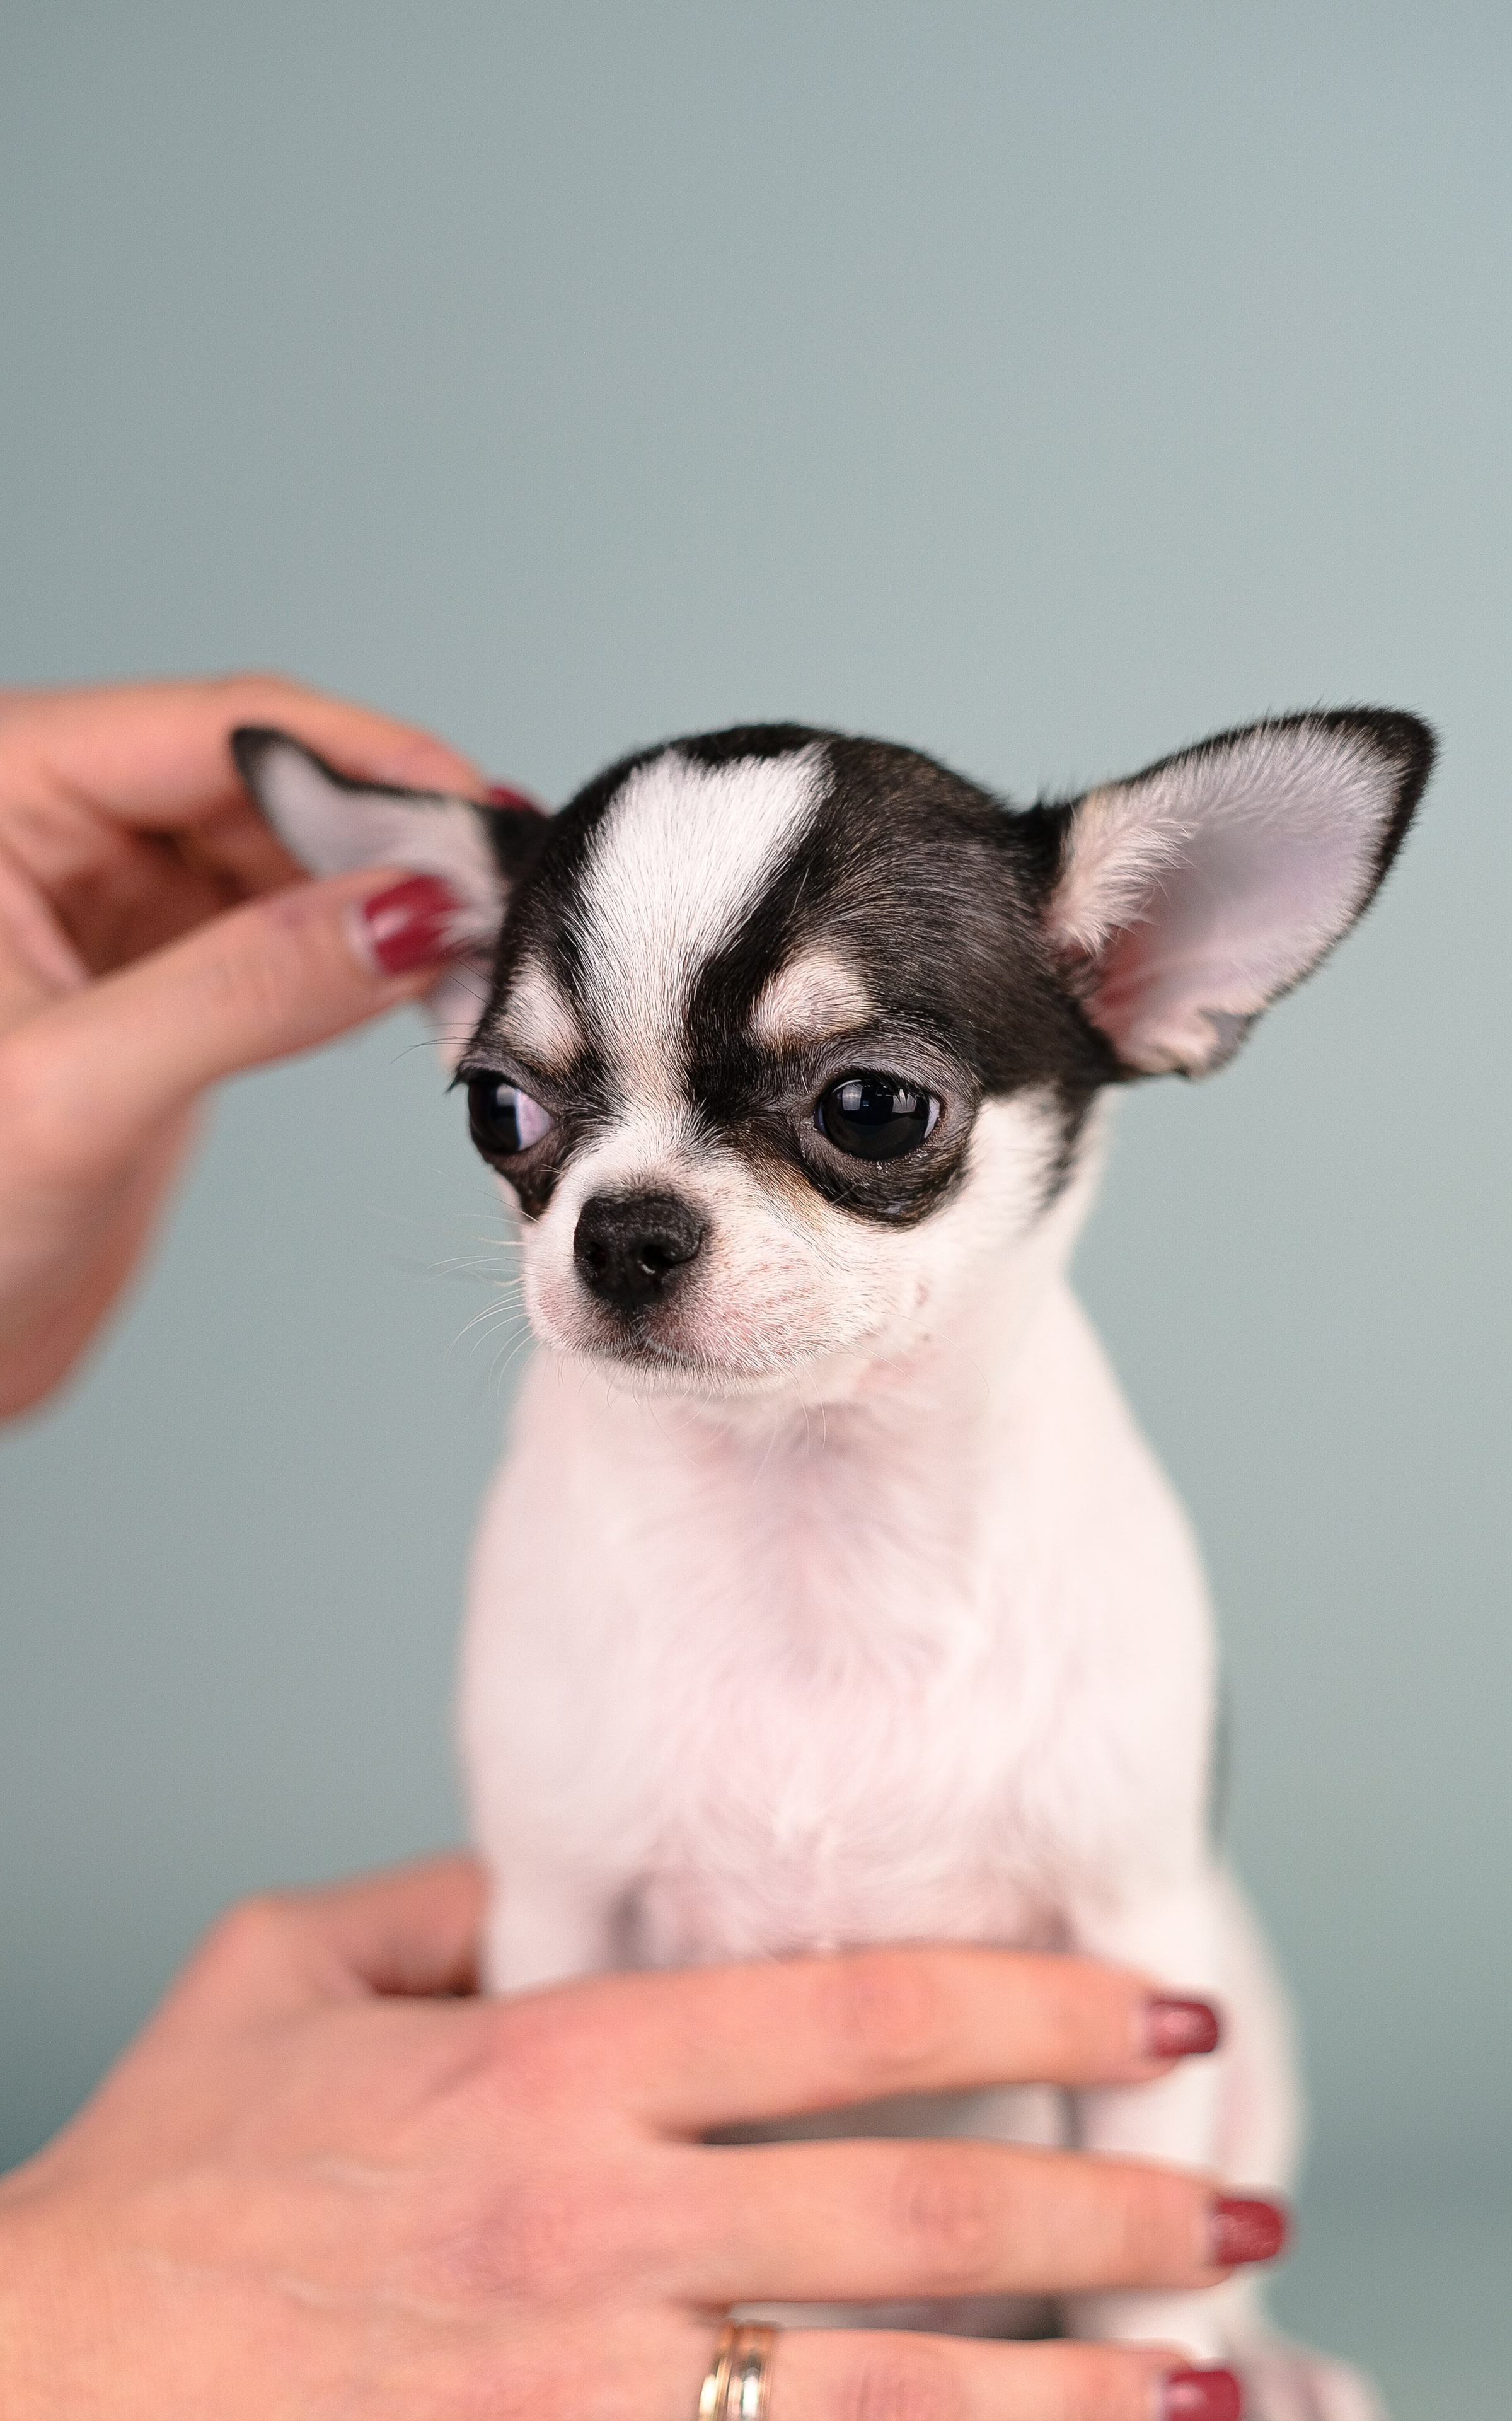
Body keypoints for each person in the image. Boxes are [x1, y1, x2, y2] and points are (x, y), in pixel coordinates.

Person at [0, 676, 1278, 2418]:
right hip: (671, 2310)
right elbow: (561, 2001)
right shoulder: (554, 1567)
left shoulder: (1108, 1584)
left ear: (1142, 965)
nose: (627, 1215)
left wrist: (1172, 2352)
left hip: (1062, 2275)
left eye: (867, 1113)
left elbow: (1149, 1950)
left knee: (1194, 1955)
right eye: (524, 1117)